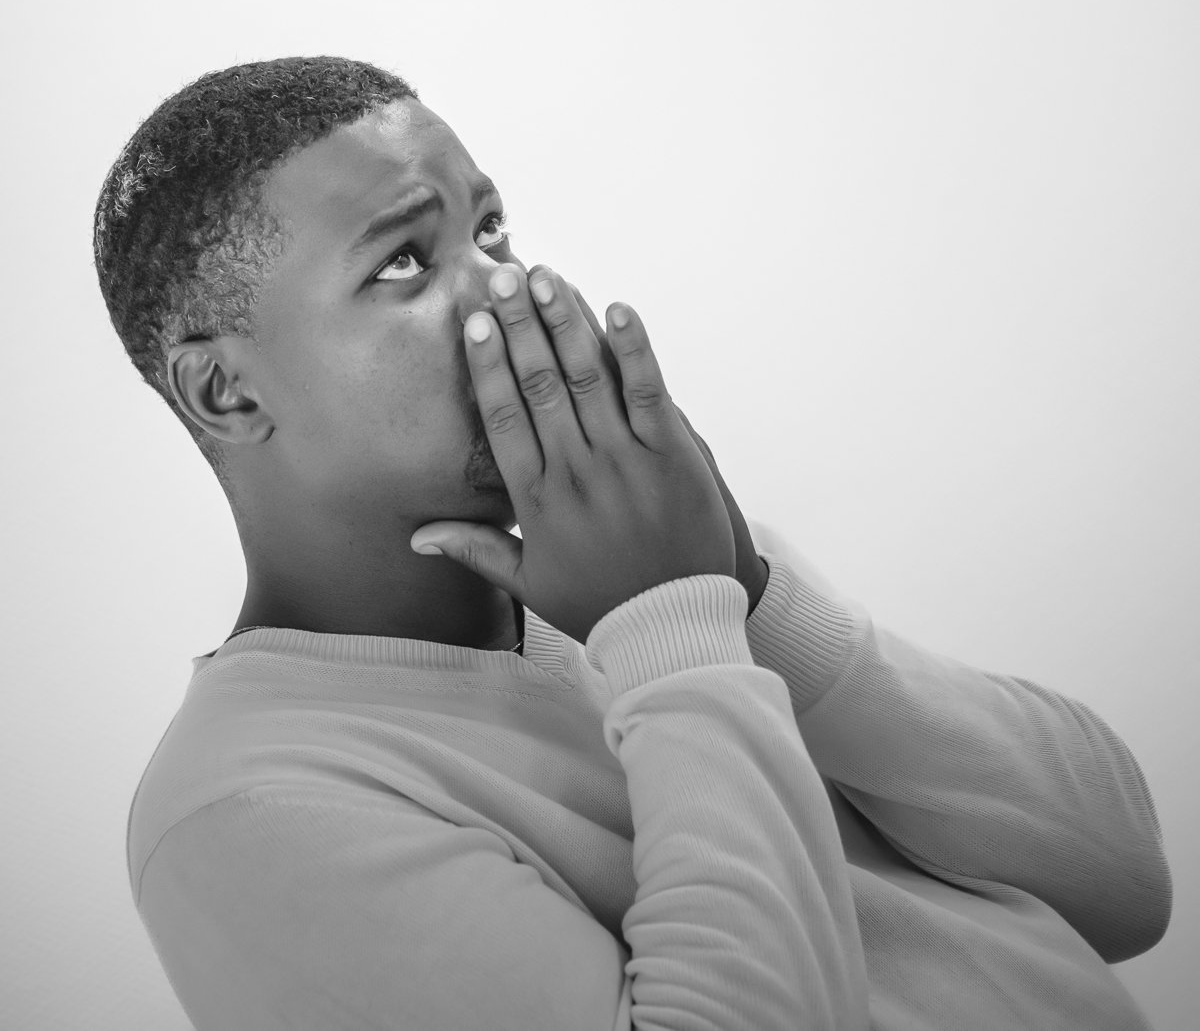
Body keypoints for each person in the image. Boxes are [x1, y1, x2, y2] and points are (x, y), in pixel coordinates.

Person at [97, 55, 1171, 1030]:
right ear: (225, 391)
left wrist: (744, 594)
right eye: (404, 266)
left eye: (491, 232)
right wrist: (677, 636)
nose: (509, 289)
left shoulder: (669, 576)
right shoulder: (241, 809)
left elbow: (1124, 883)